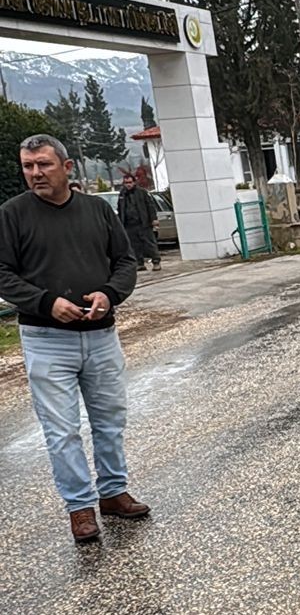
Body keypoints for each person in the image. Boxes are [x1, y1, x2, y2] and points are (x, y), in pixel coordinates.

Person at [0, 135, 148, 543]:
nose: (35, 173)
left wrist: (110, 294)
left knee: (109, 421)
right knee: (61, 429)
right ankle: (79, 508)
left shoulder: (97, 210)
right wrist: (46, 302)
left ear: (67, 168)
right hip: (46, 339)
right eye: (28, 166)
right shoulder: (12, 215)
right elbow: (3, 274)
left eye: (43, 165)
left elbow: (124, 261)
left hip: (100, 337)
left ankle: (114, 493)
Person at [117, 174, 160, 271]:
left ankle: (156, 261)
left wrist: (153, 219)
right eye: (126, 183)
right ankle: (140, 263)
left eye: (130, 182)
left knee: (149, 244)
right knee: (134, 246)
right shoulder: (122, 194)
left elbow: (150, 206)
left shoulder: (142, 192)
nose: (128, 185)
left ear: (134, 182)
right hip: (129, 225)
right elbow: (120, 209)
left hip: (143, 223)